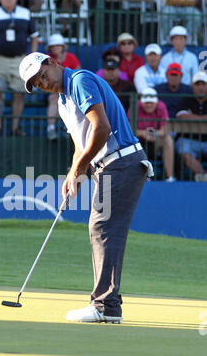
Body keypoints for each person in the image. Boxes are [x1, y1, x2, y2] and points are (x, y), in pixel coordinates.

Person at [19, 52, 153, 323]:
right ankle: (107, 304)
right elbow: (82, 143)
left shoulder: (79, 80)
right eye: (36, 82)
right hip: (110, 165)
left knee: (103, 227)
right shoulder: (63, 101)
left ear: (53, 62)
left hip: (122, 162)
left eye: (42, 73)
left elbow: (101, 127)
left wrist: (80, 167)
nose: (42, 81)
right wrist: (73, 173)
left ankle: (105, 306)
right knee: (101, 227)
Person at [0, 0, 38, 136]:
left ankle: (14, 128)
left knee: (19, 94)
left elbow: (34, 36)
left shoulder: (26, 13)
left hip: (20, 60)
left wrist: (33, 57)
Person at [128, 87, 175, 182]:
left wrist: (155, 134)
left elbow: (165, 130)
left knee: (168, 139)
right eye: (146, 103)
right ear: (141, 102)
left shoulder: (161, 106)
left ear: (156, 102)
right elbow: (129, 130)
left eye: (151, 103)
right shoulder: (134, 107)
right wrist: (143, 133)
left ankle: (170, 177)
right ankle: (144, 177)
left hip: (155, 139)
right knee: (131, 143)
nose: (149, 105)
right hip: (138, 141)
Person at [46, 33, 80, 140]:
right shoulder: (47, 59)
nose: (55, 48)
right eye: (53, 46)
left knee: (71, 100)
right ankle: (51, 129)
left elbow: (78, 73)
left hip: (70, 90)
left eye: (58, 45)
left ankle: (69, 128)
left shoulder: (72, 58)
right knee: (54, 98)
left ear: (62, 47)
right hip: (52, 90)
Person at [175, 71, 207, 179]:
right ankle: (203, 176)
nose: (200, 87)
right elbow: (182, 117)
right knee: (184, 149)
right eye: (197, 84)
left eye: (203, 84)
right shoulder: (185, 99)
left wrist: (192, 116)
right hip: (188, 139)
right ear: (192, 86)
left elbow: (188, 117)